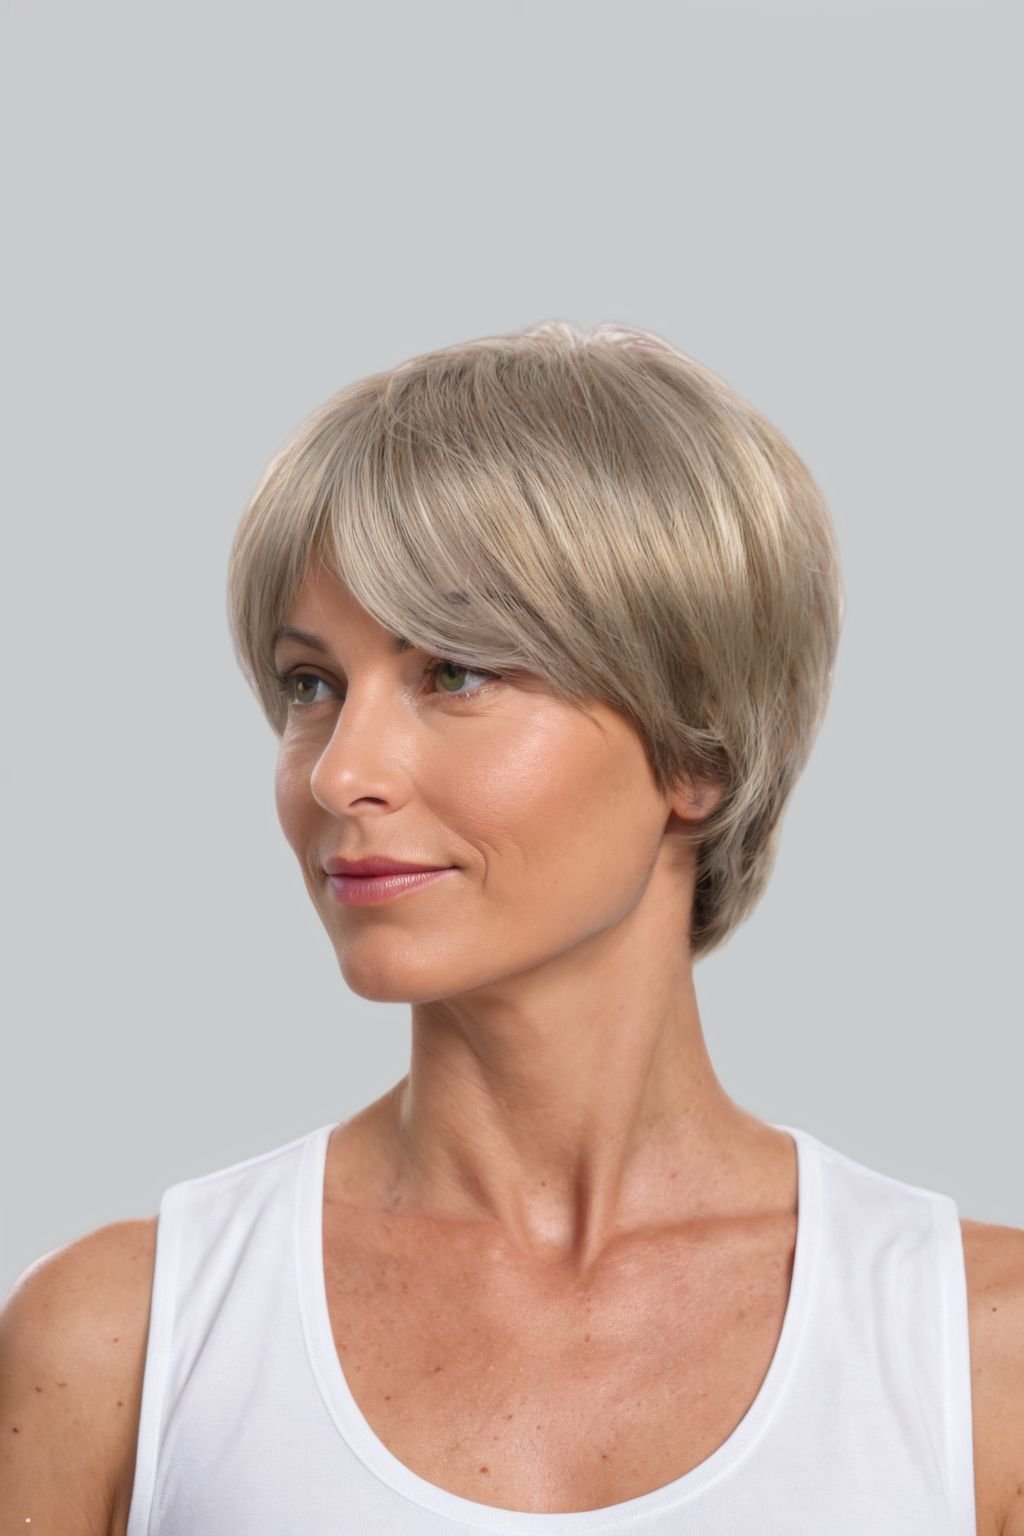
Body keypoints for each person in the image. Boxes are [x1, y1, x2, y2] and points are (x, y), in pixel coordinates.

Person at [2, 321, 1021, 1534]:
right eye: (311, 685)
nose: (338, 774)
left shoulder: (977, 1361)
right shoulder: (121, 1342)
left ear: (696, 750)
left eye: (457, 672)